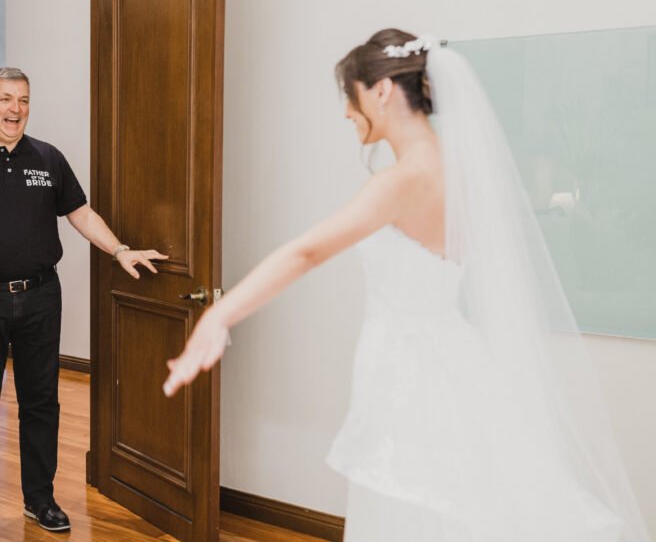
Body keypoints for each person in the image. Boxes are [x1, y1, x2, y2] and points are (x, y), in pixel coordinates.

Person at [163, 30, 651, 541]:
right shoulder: (463, 174)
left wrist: (220, 314)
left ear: (381, 91)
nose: (345, 112)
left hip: (408, 378)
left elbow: (307, 252)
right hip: (456, 360)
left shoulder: (400, 182)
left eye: (349, 96)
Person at [0, 67, 167, 538]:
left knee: (42, 401)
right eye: (5, 99)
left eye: (23, 100)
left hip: (40, 298)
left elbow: (80, 213)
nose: (15, 109)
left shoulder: (47, 158)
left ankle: (40, 500)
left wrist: (120, 250)